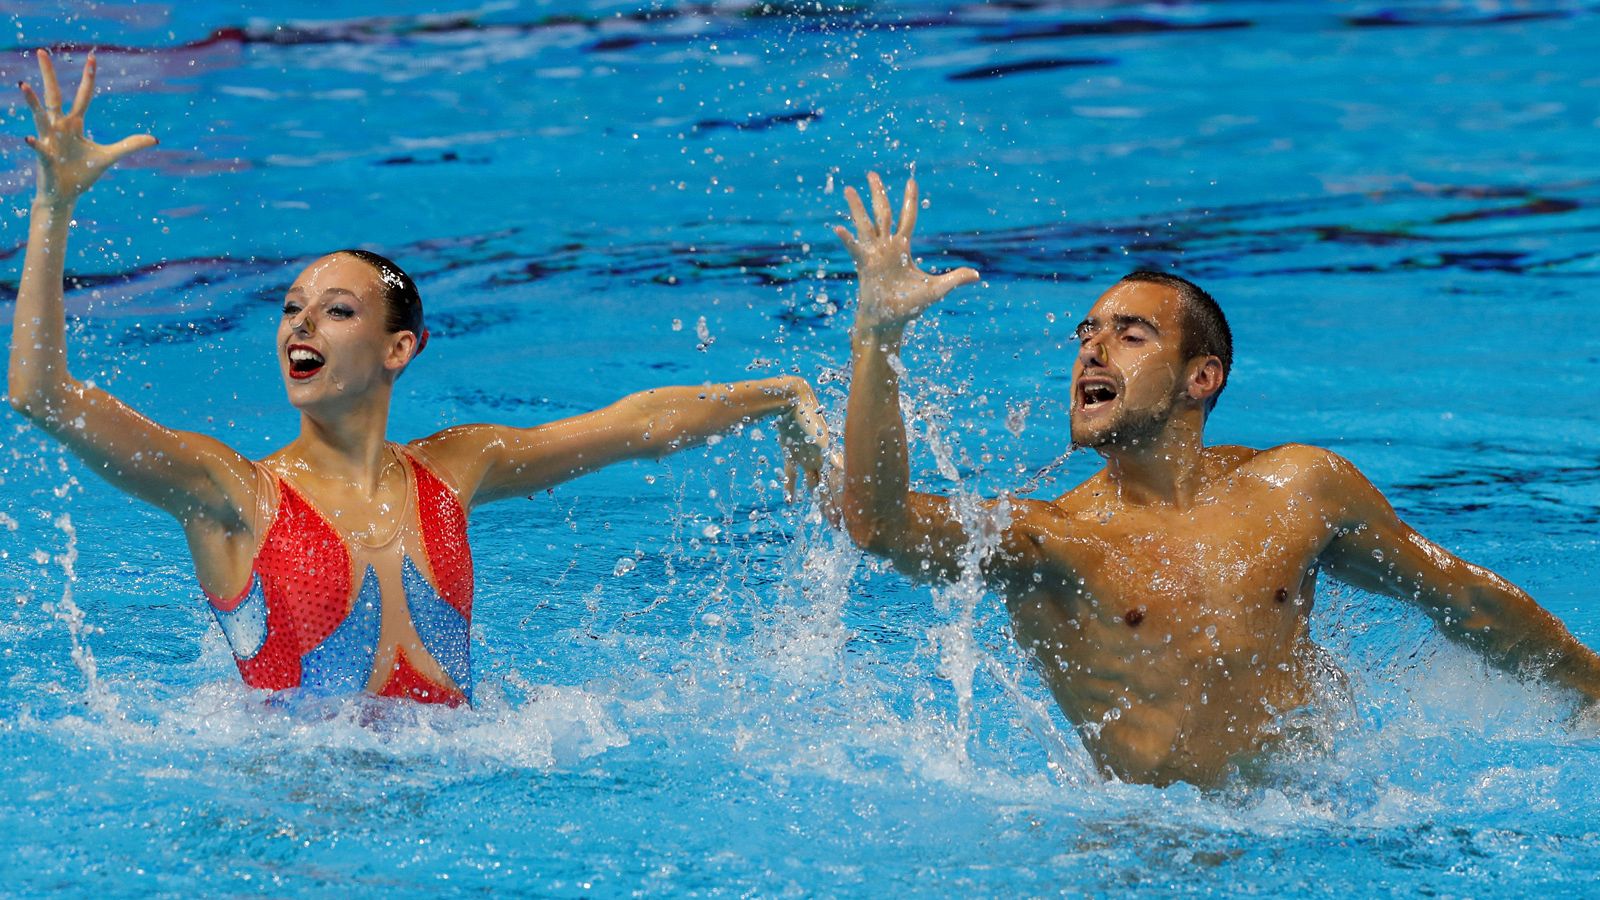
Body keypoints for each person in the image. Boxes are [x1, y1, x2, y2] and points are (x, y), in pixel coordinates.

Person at [7, 50, 829, 707]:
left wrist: (780, 396)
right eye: (292, 309)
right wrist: (53, 207)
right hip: (293, 832)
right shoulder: (233, 494)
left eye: (335, 311)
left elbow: (633, 425)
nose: (299, 324)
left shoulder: (453, 470)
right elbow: (42, 398)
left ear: (400, 350)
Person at [833, 171, 1600, 786]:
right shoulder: (1054, 541)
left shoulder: (1300, 489)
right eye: (1086, 336)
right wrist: (878, 335)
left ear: (1202, 377)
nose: (1092, 353)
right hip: (1147, 857)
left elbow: (1461, 596)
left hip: (1318, 832)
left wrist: (1593, 689)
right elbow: (880, 525)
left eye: (1130, 336)